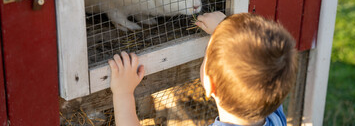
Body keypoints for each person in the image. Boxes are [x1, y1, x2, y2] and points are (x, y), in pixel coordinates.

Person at [108, 11, 298, 126]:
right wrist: (224, 28)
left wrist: (123, 93)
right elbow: (262, 57)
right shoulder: (275, 117)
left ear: (210, 85)